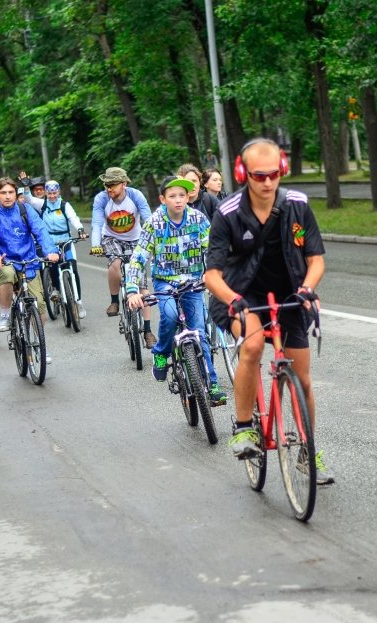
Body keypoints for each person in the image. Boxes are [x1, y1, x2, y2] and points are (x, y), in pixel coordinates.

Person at [204, 138, 333, 485]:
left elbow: (315, 259)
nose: (266, 182)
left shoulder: (298, 205)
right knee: (253, 344)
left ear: (283, 169)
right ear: (243, 172)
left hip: (289, 294)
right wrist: (232, 298)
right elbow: (211, 275)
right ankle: (245, 428)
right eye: (258, 176)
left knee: (302, 377)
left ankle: (309, 450)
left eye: (273, 174)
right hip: (241, 295)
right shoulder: (227, 212)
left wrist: (307, 287)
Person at [126, 176, 228, 405]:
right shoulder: (155, 222)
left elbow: (213, 247)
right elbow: (139, 257)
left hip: (193, 282)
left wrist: (212, 271)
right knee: (170, 316)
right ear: (163, 199)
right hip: (165, 282)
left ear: (188, 197)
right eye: (172, 196)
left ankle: (212, 385)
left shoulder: (197, 219)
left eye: (182, 195)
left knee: (199, 332)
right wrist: (133, 290)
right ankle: (161, 352)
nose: (178, 200)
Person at [0, 177, 60, 360]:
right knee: (7, 274)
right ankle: (6, 314)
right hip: (5, 260)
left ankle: (40, 344)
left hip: (29, 261)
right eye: (3, 193)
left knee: (40, 307)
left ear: (16, 194)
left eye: (10, 192)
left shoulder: (26, 210)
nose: (7, 196)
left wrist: (50, 251)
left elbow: (41, 231)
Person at [89, 167, 155, 348]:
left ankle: (148, 330)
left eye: (112, 185)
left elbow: (148, 220)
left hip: (136, 239)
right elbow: (96, 223)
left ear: (124, 184)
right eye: (106, 185)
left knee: (142, 286)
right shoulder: (101, 199)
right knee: (116, 262)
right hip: (111, 238)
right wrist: (95, 245)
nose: (109, 189)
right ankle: (114, 301)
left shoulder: (136, 196)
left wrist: (154, 241)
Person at [35, 180, 87, 318]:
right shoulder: (43, 204)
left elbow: (73, 218)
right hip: (50, 243)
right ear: (46, 193)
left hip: (66, 241)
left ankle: (79, 302)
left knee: (73, 270)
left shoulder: (64, 205)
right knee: (52, 264)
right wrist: (26, 186)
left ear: (59, 192)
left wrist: (80, 229)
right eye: (50, 193)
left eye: (54, 193)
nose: (52, 196)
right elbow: (28, 199)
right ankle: (57, 290)